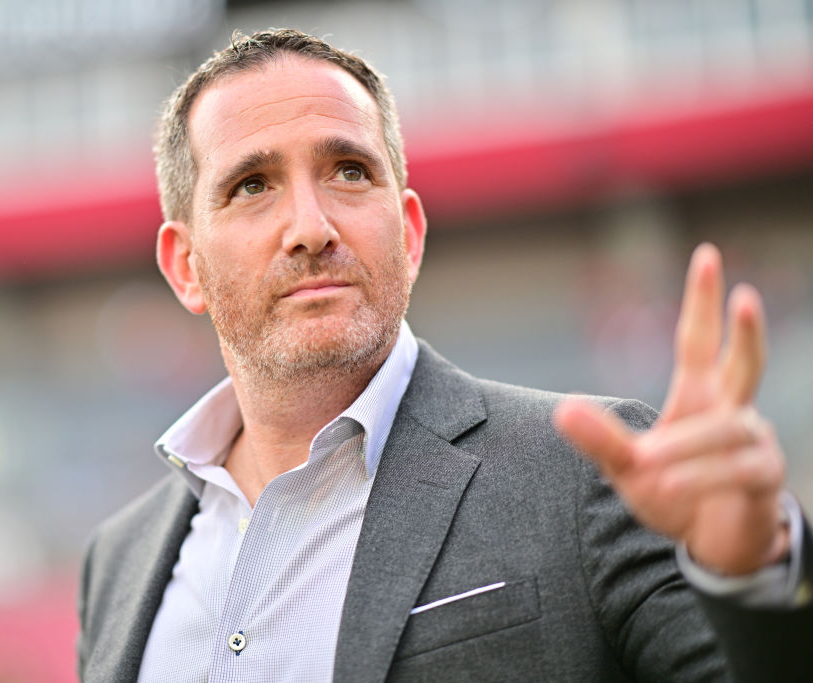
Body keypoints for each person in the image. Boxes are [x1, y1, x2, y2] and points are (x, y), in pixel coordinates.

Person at [77, 29, 812, 682]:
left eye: (349, 171)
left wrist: (750, 576)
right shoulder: (118, 562)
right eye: (252, 185)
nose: (310, 226)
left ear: (410, 233)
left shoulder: (586, 477)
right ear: (185, 267)